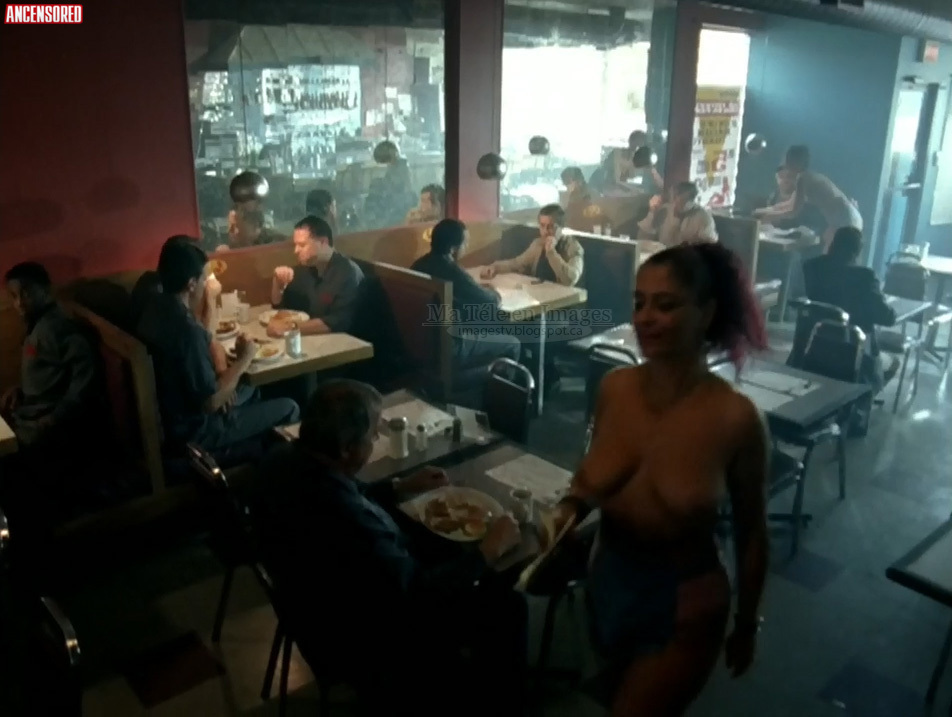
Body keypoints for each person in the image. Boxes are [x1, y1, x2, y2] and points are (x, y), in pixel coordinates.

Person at [544, 242, 770, 716]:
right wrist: (565, 513)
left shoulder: (735, 418)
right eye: (639, 302)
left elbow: (752, 533)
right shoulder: (614, 388)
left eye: (666, 305)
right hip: (607, 582)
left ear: (706, 313)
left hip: (684, 601)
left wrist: (747, 623)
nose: (646, 318)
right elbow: (591, 480)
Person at [251, 379, 527, 717]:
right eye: (371, 436)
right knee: (506, 605)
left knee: (436, 545)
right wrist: (488, 551)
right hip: (366, 640)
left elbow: (348, 492)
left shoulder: (281, 460)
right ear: (346, 449)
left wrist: (399, 486)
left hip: (310, 607)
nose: (375, 441)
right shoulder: (351, 524)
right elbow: (419, 595)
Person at [137, 238, 299, 453]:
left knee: (250, 389)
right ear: (192, 284)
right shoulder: (186, 331)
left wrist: (224, 379)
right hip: (197, 432)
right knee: (289, 407)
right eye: (204, 279)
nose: (206, 284)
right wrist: (244, 358)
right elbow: (211, 402)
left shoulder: (156, 307)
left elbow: (204, 345)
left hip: (174, 418)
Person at [1, 262, 100, 451]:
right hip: (28, 414)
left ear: (46, 289)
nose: (19, 303)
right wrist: (21, 390)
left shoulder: (56, 327)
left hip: (46, 426)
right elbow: (45, 372)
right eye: (14, 296)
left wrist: (55, 417)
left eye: (26, 293)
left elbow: (84, 374)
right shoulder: (35, 326)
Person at [411, 219, 521, 368]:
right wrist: (493, 291)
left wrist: (475, 289)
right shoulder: (451, 271)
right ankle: (495, 382)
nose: (466, 247)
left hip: (421, 343)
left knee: (485, 324)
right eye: (465, 243)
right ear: (453, 248)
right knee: (513, 343)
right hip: (451, 348)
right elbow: (490, 301)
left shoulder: (418, 265)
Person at [802, 226, 899, 392]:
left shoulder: (812, 266)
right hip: (853, 348)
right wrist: (892, 310)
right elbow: (886, 317)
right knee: (893, 362)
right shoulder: (865, 276)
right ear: (858, 251)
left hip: (816, 342)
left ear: (834, 243)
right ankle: (864, 396)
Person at [268, 215, 364, 338]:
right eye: (295, 245)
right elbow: (281, 308)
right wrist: (278, 284)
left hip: (348, 342)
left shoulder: (348, 273)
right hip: (315, 339)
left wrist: (290, 327)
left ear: (323, 242)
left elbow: (338, 322)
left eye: (302, 245)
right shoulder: (306, 268)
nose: (296, 251)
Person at [755, 145, 861, 251]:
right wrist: (763, 211)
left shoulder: (804, 179)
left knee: (831, 252)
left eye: (788, 161)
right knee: (830, 250)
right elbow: (790, 204)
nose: (785, 164)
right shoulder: (805, 178)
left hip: (845, 220)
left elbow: (793, 211)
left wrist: (766, 217)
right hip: (847, 218)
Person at [482, 204, 583, 287]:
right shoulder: (538, 244)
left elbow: (570, 280)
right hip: (541, 296)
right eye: (542, 226)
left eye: (551, 227)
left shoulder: (573, 247)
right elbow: (517, 264)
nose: (545, 231)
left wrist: (551, 252)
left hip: (566, 302)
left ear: (562, 227)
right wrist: (495, 267)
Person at [638, 181, 718, 246]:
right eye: (675, 198)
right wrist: (652, 213)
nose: (677, 204)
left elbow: (710, 246)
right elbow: (642, 238)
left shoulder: (703, 217)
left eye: (683, 200)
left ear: (692, 200)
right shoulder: (664, 210)